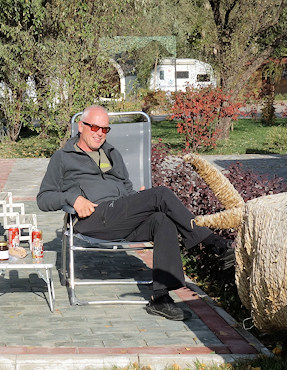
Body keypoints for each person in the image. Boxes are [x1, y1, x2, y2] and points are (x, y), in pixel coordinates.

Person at [37, 105, 232, 321]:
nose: (100, 133)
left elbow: (126, 188)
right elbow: (43, 198)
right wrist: (72, 199)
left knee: (162, 220)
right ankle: (214, 243)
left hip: (120, 216)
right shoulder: (63, 157)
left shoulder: (111, 153)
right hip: (94, 217)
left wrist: (138, 199)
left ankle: (160, 297)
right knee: (161, 194)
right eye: (94, 127)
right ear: (81, 126)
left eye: (105, 129)